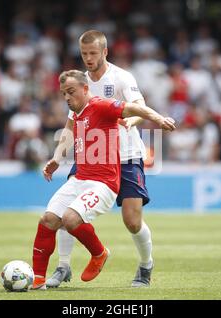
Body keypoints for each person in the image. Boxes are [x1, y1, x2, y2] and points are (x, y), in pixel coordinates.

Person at [32, 70, 175, 289]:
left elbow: (135, 106)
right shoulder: (77, 113)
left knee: (77, 219)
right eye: (63, 94)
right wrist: (57, 158)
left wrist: (158, 119)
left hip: (103, 182)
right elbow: (68, 132)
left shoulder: (101, 104)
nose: (67, 98)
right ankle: (39, 280)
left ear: (85, 89)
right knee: (48, 220)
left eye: (70, 92)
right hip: (81, 177)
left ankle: (102, 254)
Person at [45, 30, 157, 288]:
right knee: (64, 211)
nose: (88, 58)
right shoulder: (79, 82)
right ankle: (63, 266)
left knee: (132, 220)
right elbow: (71, 123)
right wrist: (57, 155)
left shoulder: (121, 77)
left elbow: (140, 104)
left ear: (105, 52)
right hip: (91, 157)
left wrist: (132, 120)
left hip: (126, 156)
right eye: (84, 54)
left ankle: (146, 264)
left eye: (93, 53)